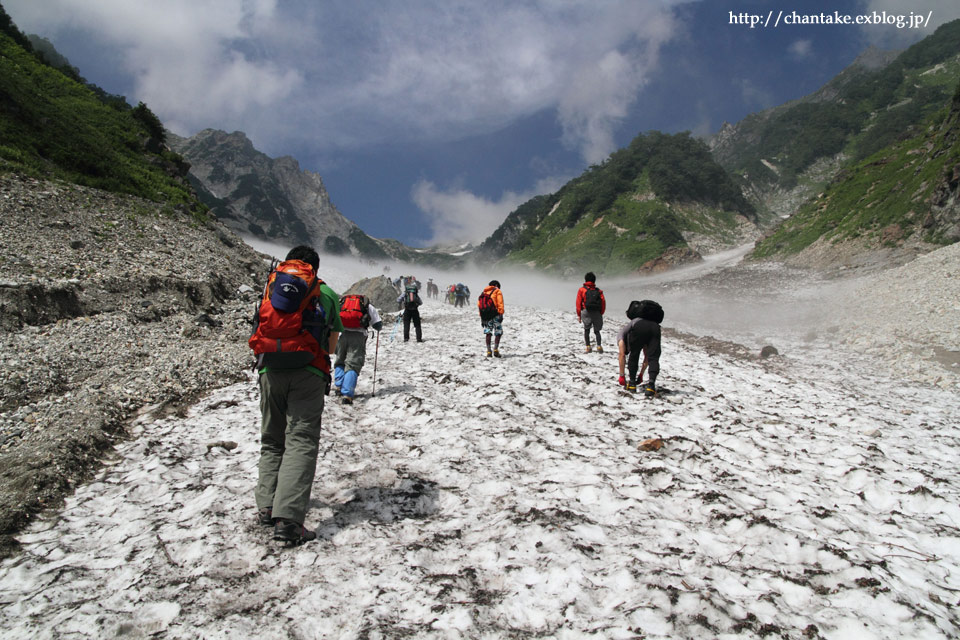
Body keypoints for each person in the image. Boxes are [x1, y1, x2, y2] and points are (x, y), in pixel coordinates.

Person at [248, 245, 343, 545]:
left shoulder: (271, 286)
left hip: (269, 370)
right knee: (300, 440)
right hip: (308, 372)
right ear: (316, 267)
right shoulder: (324, 293)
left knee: (272, 439)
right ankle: (288, 521)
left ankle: (266, 507)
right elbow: (330, 347)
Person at [333, 294, 383, 405]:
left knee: (340, 359)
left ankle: (338, 386)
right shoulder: (367, 306)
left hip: (342, 334)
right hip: (358, 336)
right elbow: (378, 325)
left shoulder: (342, 304)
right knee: (353, 363)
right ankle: (347, 393)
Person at [617, 300, 662, 397]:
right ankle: (651, 385)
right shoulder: (653, 321)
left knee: (634, 354)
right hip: (655, 328)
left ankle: (632, 384)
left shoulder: (629, 326)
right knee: (653, 357)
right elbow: (647, 357)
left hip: (639, 328)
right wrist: (641, 374)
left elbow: (621, 354)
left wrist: (622, 376)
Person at [575, 272, 606, 353]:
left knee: (587, 329)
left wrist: (579, 315)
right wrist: (601, 313)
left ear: (585, 280)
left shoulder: (582, 290)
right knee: (597, 331)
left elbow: (578, 303)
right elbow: (603, 302)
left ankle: (588, 347)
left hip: (586, 311)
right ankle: (599, 346)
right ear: (594, 280)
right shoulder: (599, 291)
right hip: (596, 312)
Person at [479, 280, 505, 357]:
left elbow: (480, 305)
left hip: (486, 317)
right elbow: (500, 303)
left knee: (488, 332)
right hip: (496, 315)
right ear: (496, 285)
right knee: (498, 332)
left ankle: (489, 351)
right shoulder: (497, 291)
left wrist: (482, 317)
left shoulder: (483, 293)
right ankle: (496, 349)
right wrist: (501, 313)